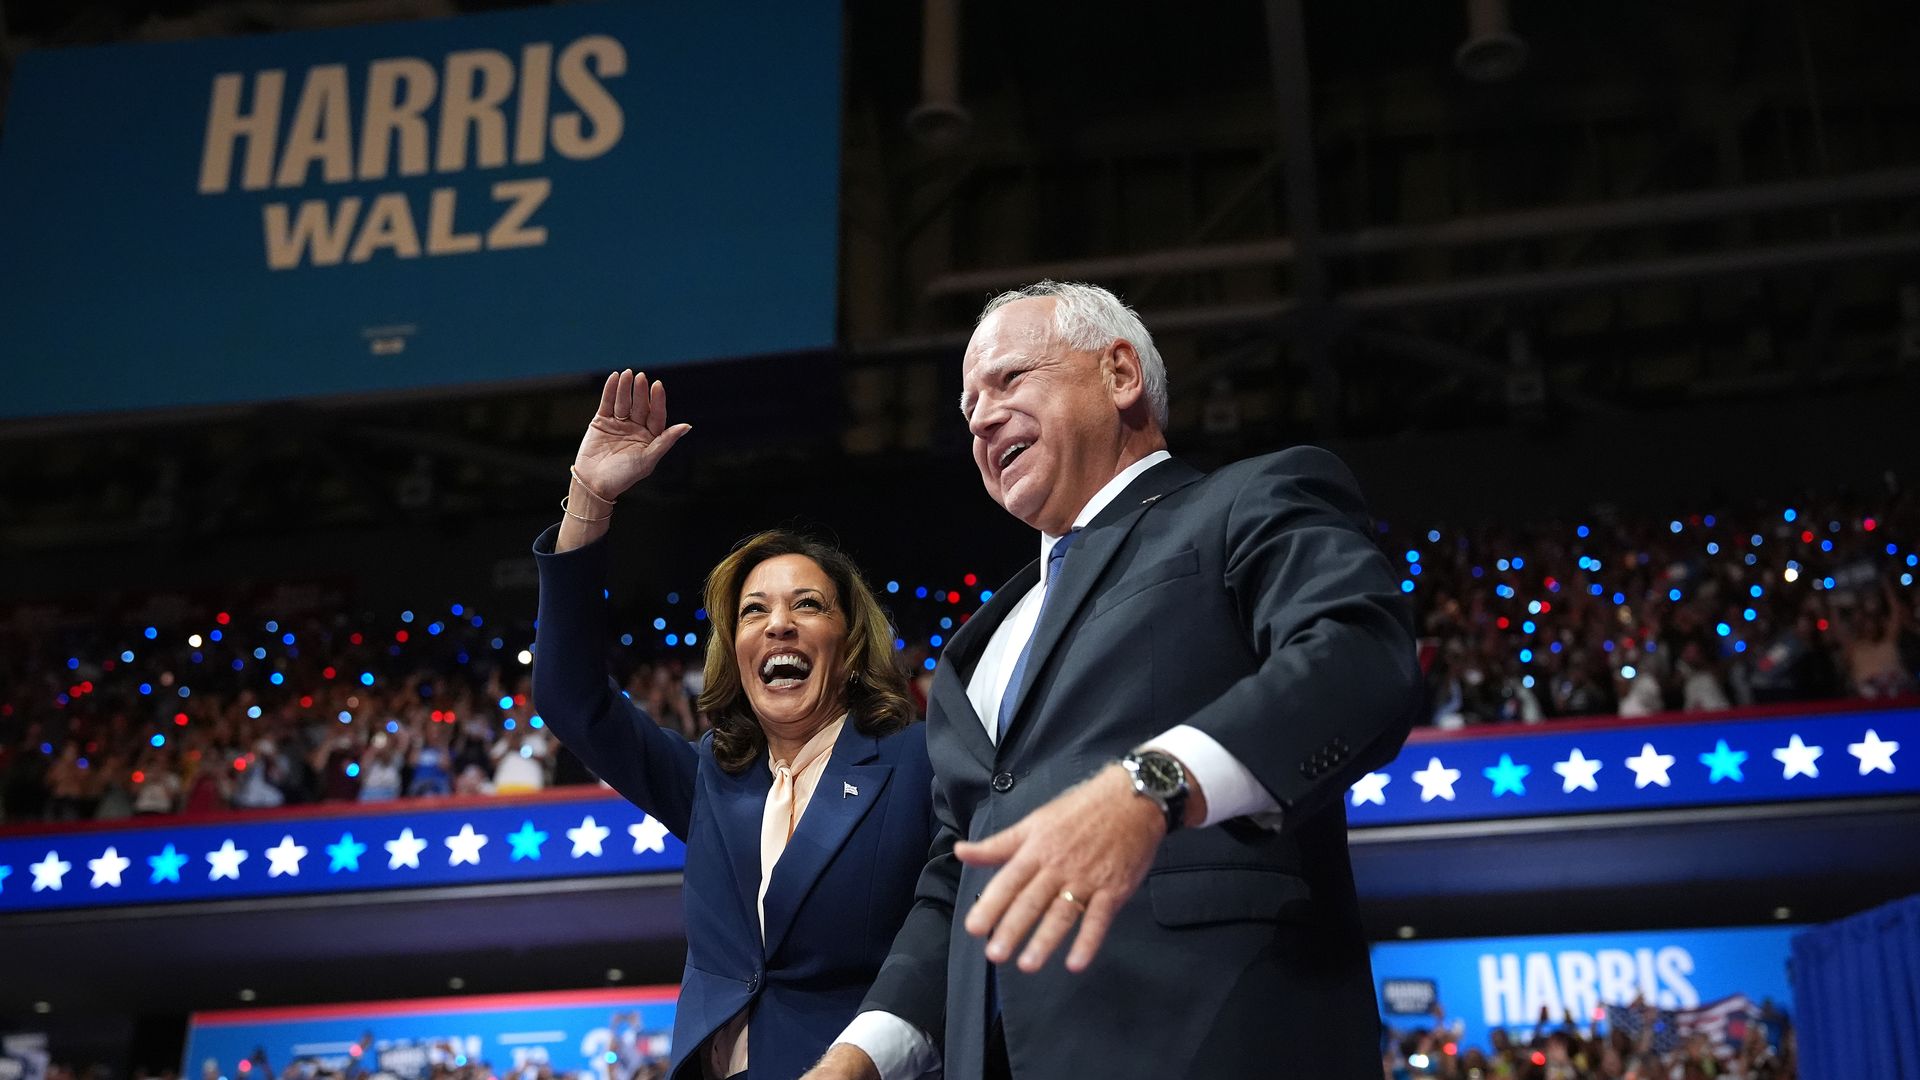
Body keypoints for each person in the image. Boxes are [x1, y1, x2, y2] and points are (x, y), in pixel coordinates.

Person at [806, 281, 1422, 1078]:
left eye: (1009, 379)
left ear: (1120, 374)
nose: (981, 418)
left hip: (1211, 1042)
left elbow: (1359, 655)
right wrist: (861, 1055)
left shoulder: (1246, 500)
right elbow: (961, 873)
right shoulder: (974, 648)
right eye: (968, 408)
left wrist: (1149, 786)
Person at [533, 370, 937, 1080]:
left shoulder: (918, 763)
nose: (778, 623)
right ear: (736, 652)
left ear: (849, 646)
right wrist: (589, 500)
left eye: (807, 604)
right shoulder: (710, 780)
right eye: (754, 611)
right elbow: (571, 697)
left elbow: (948, 938)